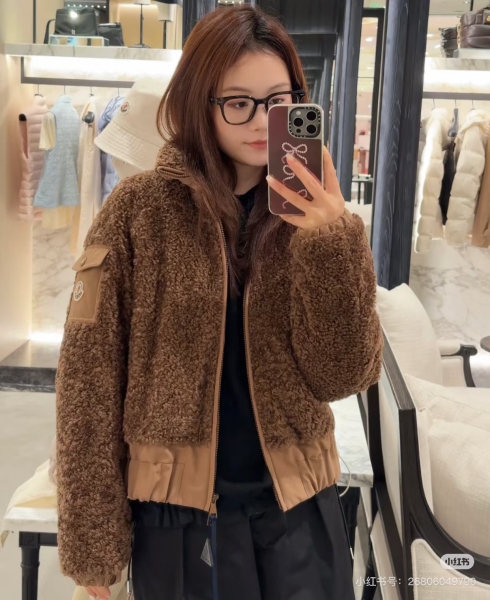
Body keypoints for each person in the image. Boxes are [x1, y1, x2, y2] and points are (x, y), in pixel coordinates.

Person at [55, 5, 383, 600]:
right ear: (198, 104)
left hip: (299, 512)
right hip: (176, 521)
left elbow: (343, 377)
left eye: (278, 100)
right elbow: (88, 380)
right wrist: (93, 543)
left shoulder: (318, 223)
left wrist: (330, 242)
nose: (261, 120)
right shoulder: (138, 211)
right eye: (238, 102)